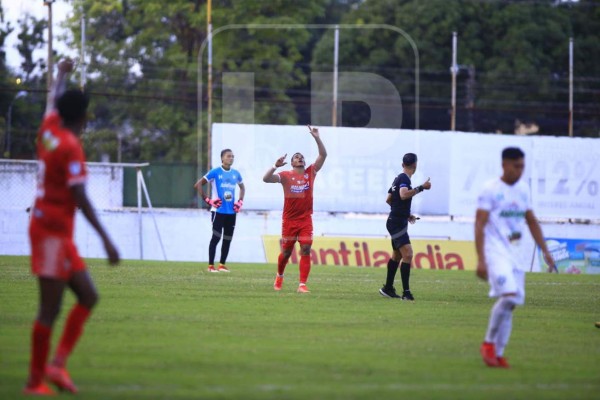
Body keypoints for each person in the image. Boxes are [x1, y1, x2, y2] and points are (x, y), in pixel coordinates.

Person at [24, 59, 120, 396]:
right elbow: (79, 195)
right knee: (49, 308)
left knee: (88, 296)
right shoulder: (68, 145)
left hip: (55, 232)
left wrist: (62, 73)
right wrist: (107, 240)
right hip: (51, 231)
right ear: (82, 118)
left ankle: (56, 365)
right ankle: (35, 381)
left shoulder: (49, 129)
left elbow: (53, 99)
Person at [475, 147, 555, 368]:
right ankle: (488, 344)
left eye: (523, 166)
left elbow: (531, 220)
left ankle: (498, 354)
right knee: (509, 296)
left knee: (511, 305)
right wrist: (481, 259)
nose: (520, 170)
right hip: (495, 253)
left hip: (515, 254)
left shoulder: (523, 190)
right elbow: (479, 224)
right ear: (504, 165)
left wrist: (545, 250)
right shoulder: (490, 190)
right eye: (516, 166)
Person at [262, 125, 327, 293]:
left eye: (301, 157)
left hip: (305, 219)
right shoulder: (285, 176)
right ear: (291, 162)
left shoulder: (310, 172)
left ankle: (302, 285)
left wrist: (316, 138)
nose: (300, 158)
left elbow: (323, 155)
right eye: (296, 157)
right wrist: (275, 166)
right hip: (289, 220)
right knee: (286, 252)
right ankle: (279, 275)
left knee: (306, 248)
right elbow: (266, 179)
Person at [380, 153, 431, 301]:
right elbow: (402, 195)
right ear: (415, 165)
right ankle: (406, 293)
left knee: (397, 255)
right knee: (408, 254)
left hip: (396, 220)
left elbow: (389, 199)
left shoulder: (398, 178)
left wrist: (405, 214)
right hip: (396, 223)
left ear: (403, 164)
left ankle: (388, 288)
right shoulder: (404, 179)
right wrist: (422, 187)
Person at [194, 149, 245, 272]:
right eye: (228, 156)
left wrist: (240, 202)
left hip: (231, 212)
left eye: (233, 156)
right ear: (222, 158)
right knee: (216, 237)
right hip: (218, 211)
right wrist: (208, 200)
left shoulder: (236, 174)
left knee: (227, 238)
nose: (231, 158)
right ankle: (211, 266)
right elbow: (198, 184)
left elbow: (242, 188)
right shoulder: (215, 172)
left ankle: (222, 265)